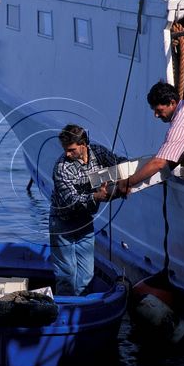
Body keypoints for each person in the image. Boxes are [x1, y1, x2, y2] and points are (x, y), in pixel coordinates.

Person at [50, 124, 124, 296]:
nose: (67, 154)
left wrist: (128, 178)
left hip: (85, 220)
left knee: (87, 274)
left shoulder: (98, 152)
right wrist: (97, 197)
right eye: (65, 150)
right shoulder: (61, 168)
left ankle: (81, 308)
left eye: (71, 150)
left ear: (83, 144)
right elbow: (73, 201)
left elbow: (118, 163)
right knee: (66, 274)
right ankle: (64, 308)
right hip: (63, 222)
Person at [117, 81, 184, 196]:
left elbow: (159, 163)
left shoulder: (180, 125)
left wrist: (128, 183)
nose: (156, 115)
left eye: (159, 110)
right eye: (154, 110)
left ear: (172, 102)